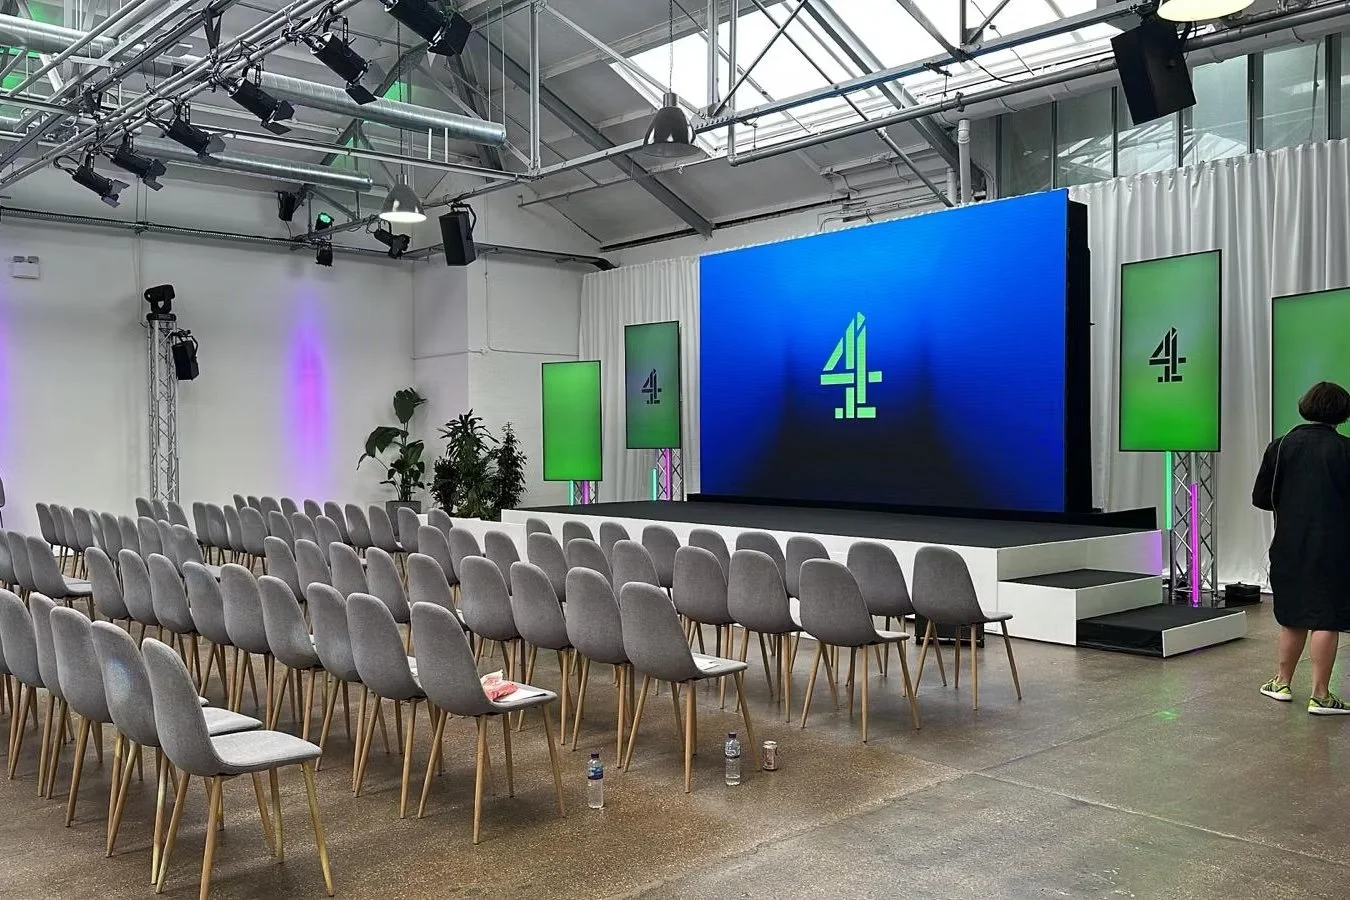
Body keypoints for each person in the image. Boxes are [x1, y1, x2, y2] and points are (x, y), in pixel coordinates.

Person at [1252, 381, 1350, 714]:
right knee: (1327, 617)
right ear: (1343, 413)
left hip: (1289, 544)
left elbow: (1261, 498)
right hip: (1335, 547)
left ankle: (1281, 682)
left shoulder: (1279, 447)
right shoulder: (1346, 450)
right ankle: (1321, 695)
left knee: (1292, 615)